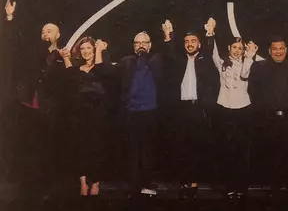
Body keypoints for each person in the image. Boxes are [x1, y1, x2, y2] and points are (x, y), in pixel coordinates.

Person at [95, 29, 168, 197]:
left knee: (148, 151)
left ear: (150, 45)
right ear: (133, 46)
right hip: (131, 112)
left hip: (151, 112)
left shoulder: (157, 59)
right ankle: (134, 187)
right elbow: (105, 72)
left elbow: (171, 55)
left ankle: (147, 185)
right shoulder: (126, 61)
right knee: (132, 152)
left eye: (144, 42)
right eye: (137, 43)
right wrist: (101, 51)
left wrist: (167, 35)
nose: (141, 45)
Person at [4, 0, 66, 193]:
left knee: (46, 147)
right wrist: (10, 17)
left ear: (58, 35)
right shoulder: (33, 52)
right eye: (43, 31)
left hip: (49, 108)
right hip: (28, 104)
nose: (45, 33)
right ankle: (27, 187)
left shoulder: (63, 56)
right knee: (27, 146)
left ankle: (45, 187)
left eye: (49, 31)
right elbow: (14, 43)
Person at [248, 35, 288, 199]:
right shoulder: (259, 67)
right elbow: (253, 91)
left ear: (286, 50)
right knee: (271, 154)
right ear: (269, 51)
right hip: (268, 119)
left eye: (281, 48)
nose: (278, 52)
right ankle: (273, 188)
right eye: (275, 49)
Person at [162, 19, 219, 195]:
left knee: (197, 146)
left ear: (199, 44)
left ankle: (194, 182)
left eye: (193, 41)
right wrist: (168, 35)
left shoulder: (204, 59)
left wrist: (210, 33)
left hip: (198, 108)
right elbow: (170, 52)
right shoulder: (179, 60)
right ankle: (183, 181)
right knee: (181, 146)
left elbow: (210, 50)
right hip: (181, 109)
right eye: (187, 41)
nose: (189, 44)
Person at [206, 18, 258, 200]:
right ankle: (229, 187)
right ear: (229, 48)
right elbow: (212, 52)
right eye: (234, 47)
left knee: (242, 151)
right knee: (227, 150)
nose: (237, 50)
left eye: (240, 48)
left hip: (243, 109)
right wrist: (210, 33)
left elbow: (244, 74)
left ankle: (242, 188)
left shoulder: (247, 62)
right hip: (225, 110)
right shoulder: (221, 63)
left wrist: (249, 57)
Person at [59, 36, 110, 196]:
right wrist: (66, 57)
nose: (85, 51)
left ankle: (95, 183)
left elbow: (101, 71)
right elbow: (70, 74)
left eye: (88, 48)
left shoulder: (101, 67)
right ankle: (83, 183)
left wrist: (100, 50)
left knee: (96, 148)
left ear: (94, 49)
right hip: (79, 115)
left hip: (97, 114)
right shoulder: (77, 69)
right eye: (82, 48)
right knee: (80, 147)